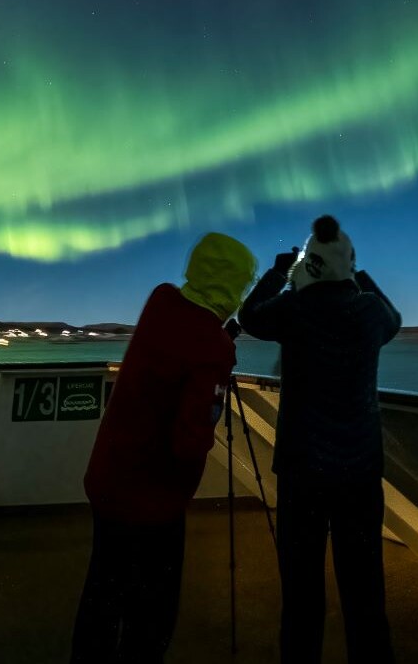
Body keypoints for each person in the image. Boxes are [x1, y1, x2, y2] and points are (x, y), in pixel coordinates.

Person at [70, 232, 259, 664]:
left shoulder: (162, 301)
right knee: (151, 613)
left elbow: (183, 341)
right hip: (151, 502)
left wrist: (218, 335)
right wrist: (220, 354)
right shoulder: (212, 347)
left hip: (108, 478)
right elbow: (189, 442)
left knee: (103, 591)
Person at [238, 215, 400, 664]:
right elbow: (395, 318)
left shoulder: (294, 309)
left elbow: (249, 316)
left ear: (308, 267)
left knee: (302, 592)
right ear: (347, 263)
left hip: (302, 471)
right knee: (365, 591)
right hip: (360, 472)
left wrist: (280, 273)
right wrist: (357, 270)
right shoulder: (368, 312)